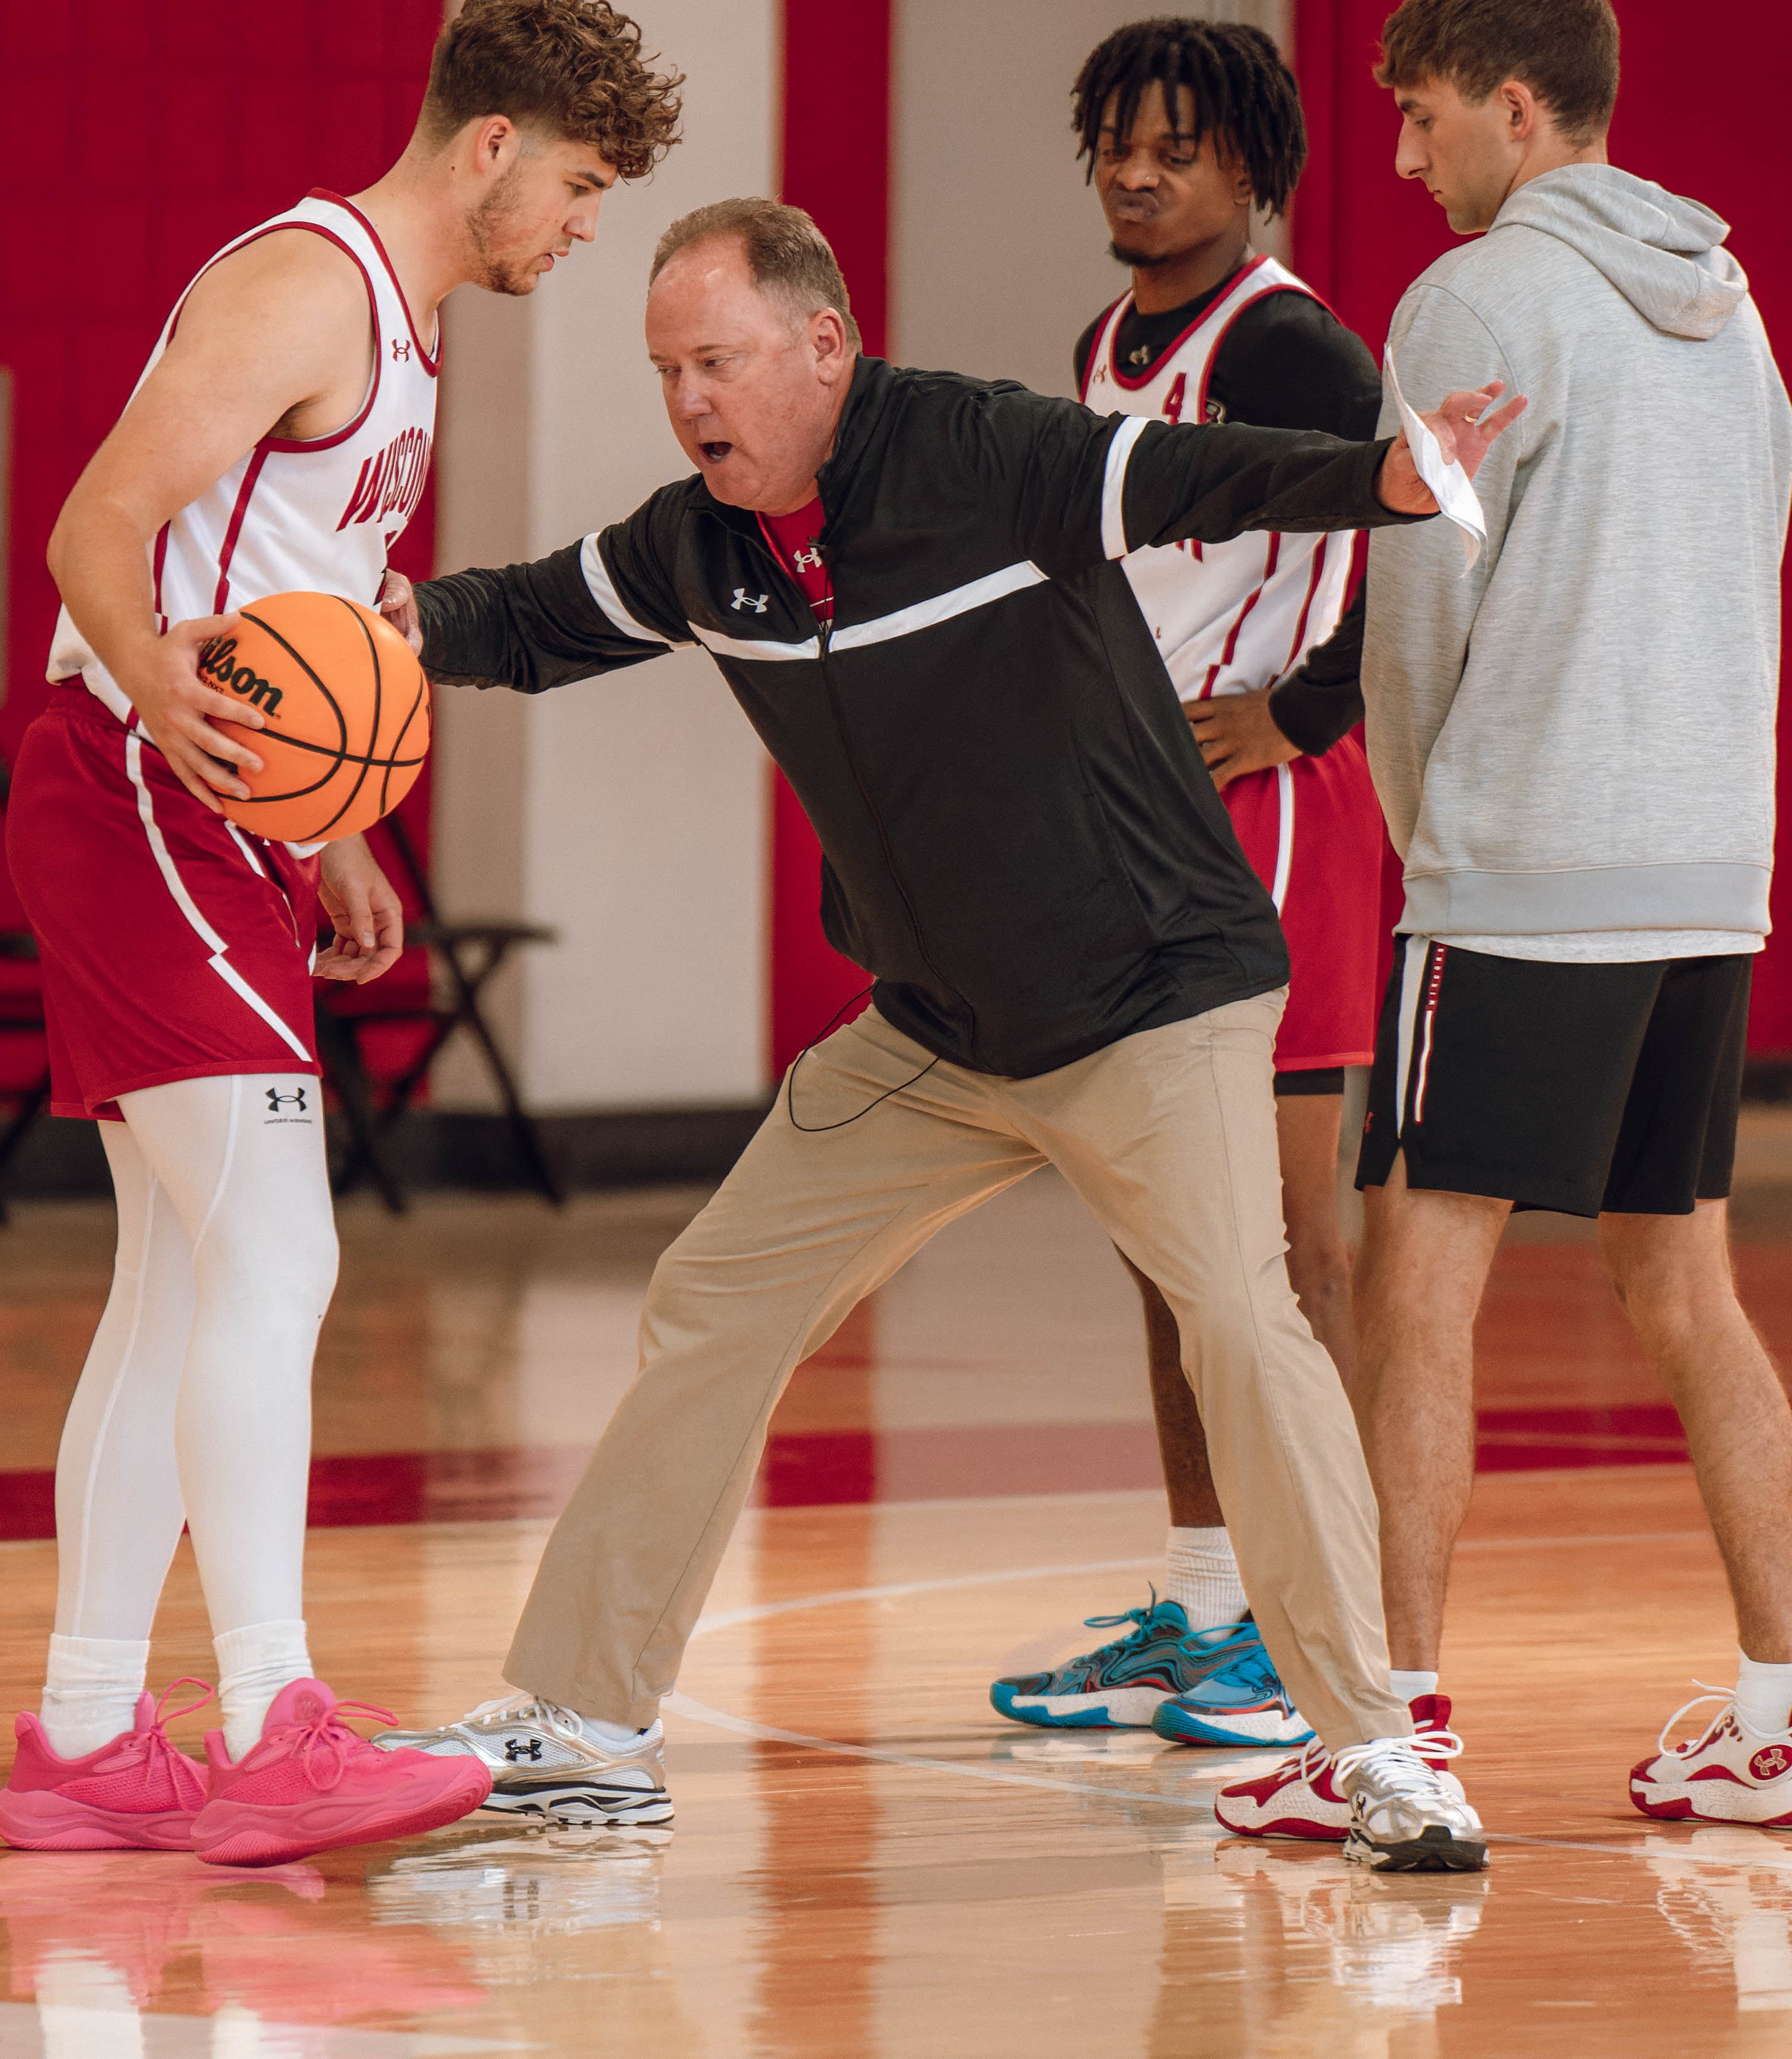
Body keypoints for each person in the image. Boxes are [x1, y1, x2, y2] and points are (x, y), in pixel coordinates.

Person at [380, 196, 1518, 1874]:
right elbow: (538, 616)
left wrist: (1383, 483)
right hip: (937, 1034)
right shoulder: (704, 548)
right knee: (714, 1295)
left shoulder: (978, 454)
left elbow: (1196, 476)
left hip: (1152, 998)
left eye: (718, 361)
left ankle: (1377, 1748)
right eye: (665, 371)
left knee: (1239, 1316)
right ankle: (588, 1718)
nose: (691, 401)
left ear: (823, 345)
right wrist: (390, 623)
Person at [0, 0, 685, 1869]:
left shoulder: (414, 330)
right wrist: (168, 705)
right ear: (489, 146)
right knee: (280, 1259)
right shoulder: (304, 284)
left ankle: (81, 1736)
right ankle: (275, 1716)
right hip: (142, 785)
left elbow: (301, 605)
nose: (583, 224)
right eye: (583, 184)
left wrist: (348, 823)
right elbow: (92, 526)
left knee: (183, 1280)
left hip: (226, 817)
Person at [1351, 0, 1792, 1829]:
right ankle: (1776, 1708)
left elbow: (1414, 606)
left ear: (1511, 103)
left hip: (1523, 871)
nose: (1403, 158)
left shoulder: (1468, 300)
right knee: (1687, 1282)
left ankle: (1388, 1732)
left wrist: (1433, 831)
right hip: (1701, 865)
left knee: (1414, 1286)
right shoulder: (1729, 309)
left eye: (1418, 116)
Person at [985, 19, 1394, 1752]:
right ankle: (1209, 1606)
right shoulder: (1105, 338)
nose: (1137, 172)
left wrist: (1300, 708)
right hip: (1138, 810)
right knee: (1170, 1240)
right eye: (1115, 143)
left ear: (1253, 172)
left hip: (1275, 813)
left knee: (1294, 1250)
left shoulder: (1288, 342)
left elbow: (1425, 521)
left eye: (1177, 146)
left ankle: (1333, 1632)